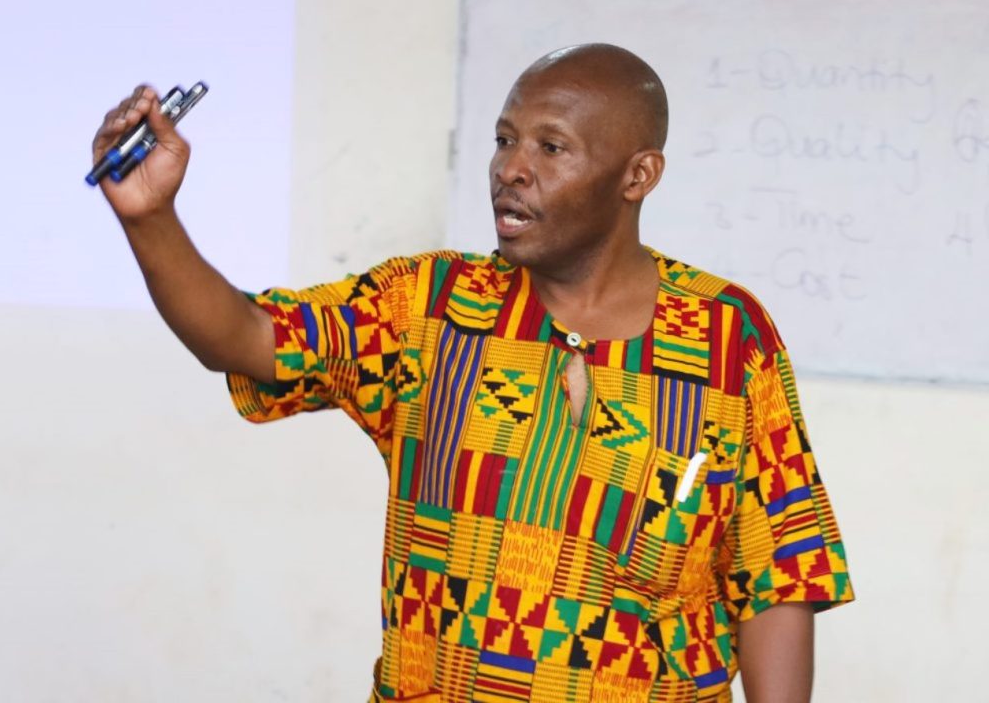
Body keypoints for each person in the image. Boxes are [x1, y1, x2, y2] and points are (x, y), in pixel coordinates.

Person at [92, 43, 853, 702]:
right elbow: (249, 339)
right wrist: (150, 218)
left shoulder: (725, 336)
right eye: (504, 139)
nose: (511, 170)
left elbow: (777, 574)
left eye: (551, 148)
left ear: (637, 175)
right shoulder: (428, 309)